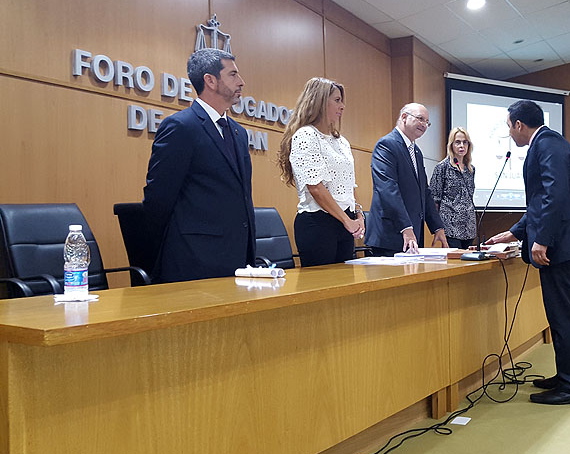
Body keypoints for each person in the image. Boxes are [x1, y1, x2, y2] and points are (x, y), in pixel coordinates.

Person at [486, 100, 570, 405]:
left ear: (519, 124)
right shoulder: (549, 143)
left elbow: (554, 195)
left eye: (509, 126)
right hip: (559, 245)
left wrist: (542, 239)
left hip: (560, 247)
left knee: (566, 317)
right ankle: (566, 377)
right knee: (559, 317)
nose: (509, 133)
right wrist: (514, 232)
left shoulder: (547, 145)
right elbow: (540, 202)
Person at [143, 48, 255, 283]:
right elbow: (159, 198)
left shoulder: (239, 132)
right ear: (210, 81)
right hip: (194, 259)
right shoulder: (181, 127)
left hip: (238, 255)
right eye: (233, 74)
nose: (241, 82)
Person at [276, 77, 364, 267]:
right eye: (337, 100)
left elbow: (350, 184)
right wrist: (347, 221)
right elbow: (315, 188)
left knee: (347, 283)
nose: (342, 106)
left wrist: (358, 215)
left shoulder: (342, 142)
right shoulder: (306, 135)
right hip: (318, 224)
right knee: (323, 282)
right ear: (320, 102)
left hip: (344, 222)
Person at [364, 103, 448, 256]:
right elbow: (387, 189)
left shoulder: (416, 151)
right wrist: (405, 227)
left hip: (412, 235)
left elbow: (424, 192)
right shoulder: (386, 145)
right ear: (404, 117)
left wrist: (437, 227)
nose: (424, 125)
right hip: (390, 235)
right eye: (420, 119)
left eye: (427, 122)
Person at [429, 127, 476, 249]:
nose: (462, 146)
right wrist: (438, 227)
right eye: (457, 142)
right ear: (451, 145)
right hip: (450, 227)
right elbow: (434, 200)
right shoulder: (442, 167)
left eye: (465, 142)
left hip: (469, 227)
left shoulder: (471, 169)